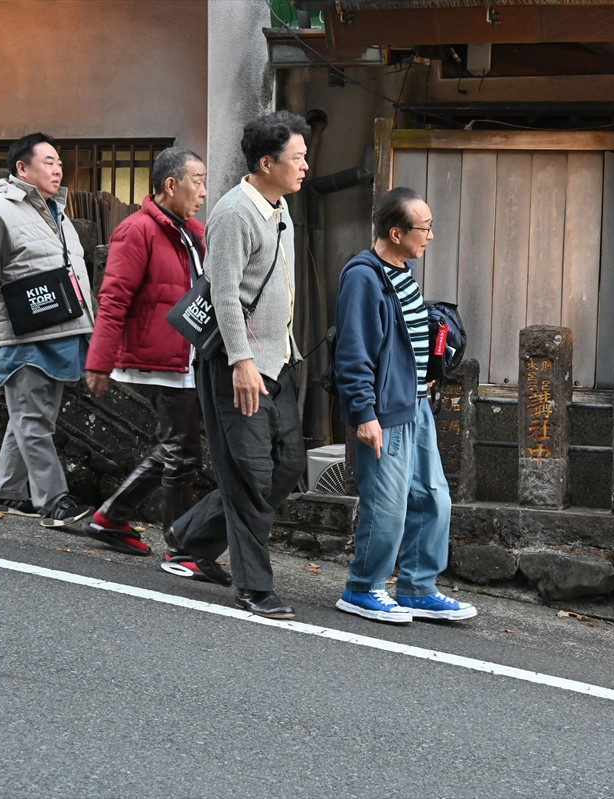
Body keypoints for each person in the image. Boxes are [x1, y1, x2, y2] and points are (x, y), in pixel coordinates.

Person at [163, 111, 310, 620]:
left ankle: (188, 536)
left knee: (289, 464)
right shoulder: (233, 213)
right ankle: (254, 587)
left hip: (280, 359)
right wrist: (242, 362)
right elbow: (223, 293)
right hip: (237, 365)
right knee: (249, 473)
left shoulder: (280, 208)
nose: (305, 166)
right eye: (298, 158)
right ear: (266, 163)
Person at [332, 186, 477, 624]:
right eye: (424, 227)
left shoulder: (401, 271)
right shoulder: (364, 275)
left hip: (416, 405)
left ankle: (417, 588)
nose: (430, 235)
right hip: (385, 412)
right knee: (388, 504)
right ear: (396, 232)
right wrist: (364, 414)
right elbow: (353, 352)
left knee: (434, 498)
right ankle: (362, 587)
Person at [0, 132, 96, 529]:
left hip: (58, 332)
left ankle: (5, 492)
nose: (58, 169)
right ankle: (54, 502)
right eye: (49, 162)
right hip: (23, 335)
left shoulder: (57, 213)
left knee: (31, 417)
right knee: (33, 420)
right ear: (22, 168)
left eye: (60, 162)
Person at [83, 147, 208, 558]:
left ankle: (112, 516)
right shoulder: (136, 230)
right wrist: (99, 361)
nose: (204, 191)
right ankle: (180, 547)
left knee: (176, 446)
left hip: (187, 356)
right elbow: (114, 297)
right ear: (170, 185)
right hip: (159, 360)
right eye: (198, 180)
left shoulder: (193, 232)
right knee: (183, 453)